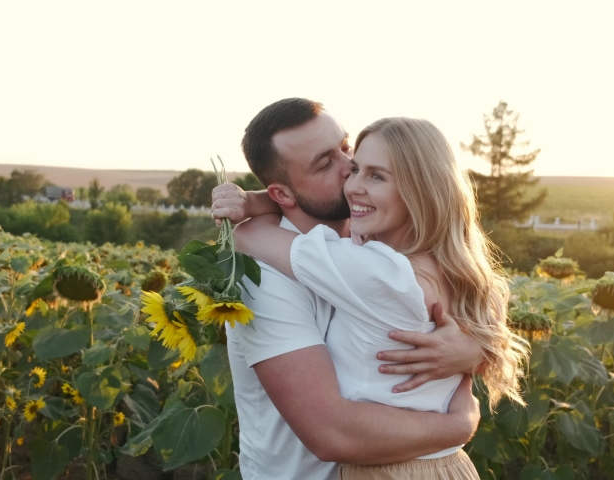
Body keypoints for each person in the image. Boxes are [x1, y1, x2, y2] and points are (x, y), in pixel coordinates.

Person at [221, 115, 529, 479]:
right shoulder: (264, 278)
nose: (347, 174)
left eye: (346, 151)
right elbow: (331, 433)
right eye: (325, 163)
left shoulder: (374, 256)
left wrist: (475, 350)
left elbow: (246, 235)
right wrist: (459, 424)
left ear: (417, 191)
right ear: (283, 193)